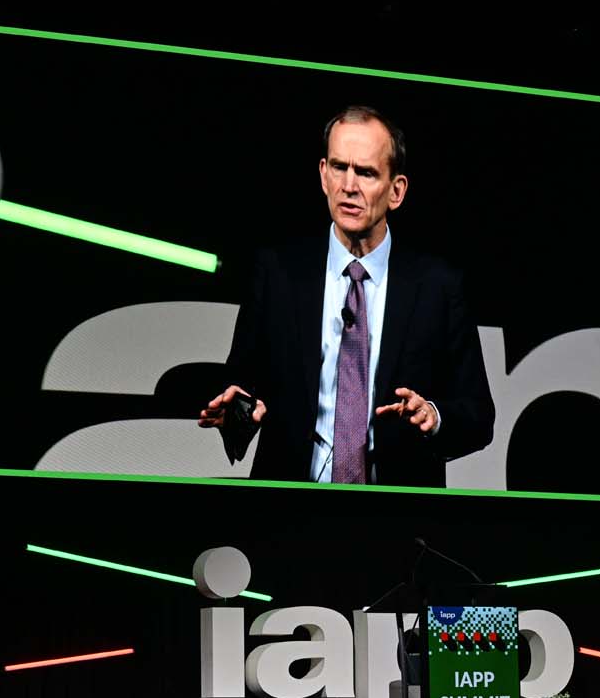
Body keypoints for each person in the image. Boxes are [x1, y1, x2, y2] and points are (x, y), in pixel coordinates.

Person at [198, 104, 495, 487]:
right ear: (324, 175)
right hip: (288, 506)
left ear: (396, 191)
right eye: (339, 167)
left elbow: (477, 416)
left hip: (397, 511)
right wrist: (238, 411)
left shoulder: (438, 286)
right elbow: (242, 382)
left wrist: (433, 416)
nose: (349, 185)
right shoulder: (279, 273)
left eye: (366, 172)